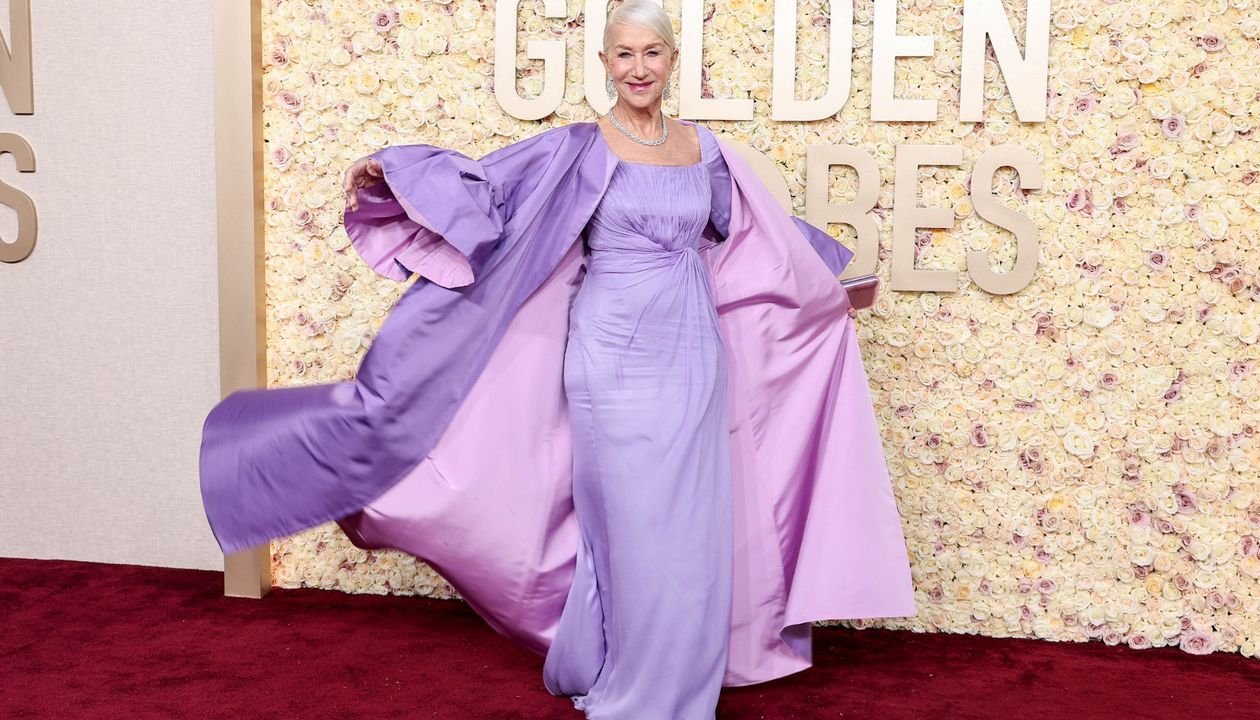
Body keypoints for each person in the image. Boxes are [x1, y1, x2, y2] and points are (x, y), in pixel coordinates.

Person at [200, 1, 917, 718]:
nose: (639, 68)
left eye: (652, 54)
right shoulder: (578, 147)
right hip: (608, 354)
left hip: (694, 351)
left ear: (672, 62)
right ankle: (639, 682)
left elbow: (753, 236)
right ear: (605, 64)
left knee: (691, 517)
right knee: (633, 518)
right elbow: (492, 194)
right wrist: (398, 174)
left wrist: (827, 282)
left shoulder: (706, 151)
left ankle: (661, 670)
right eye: (624, 54)